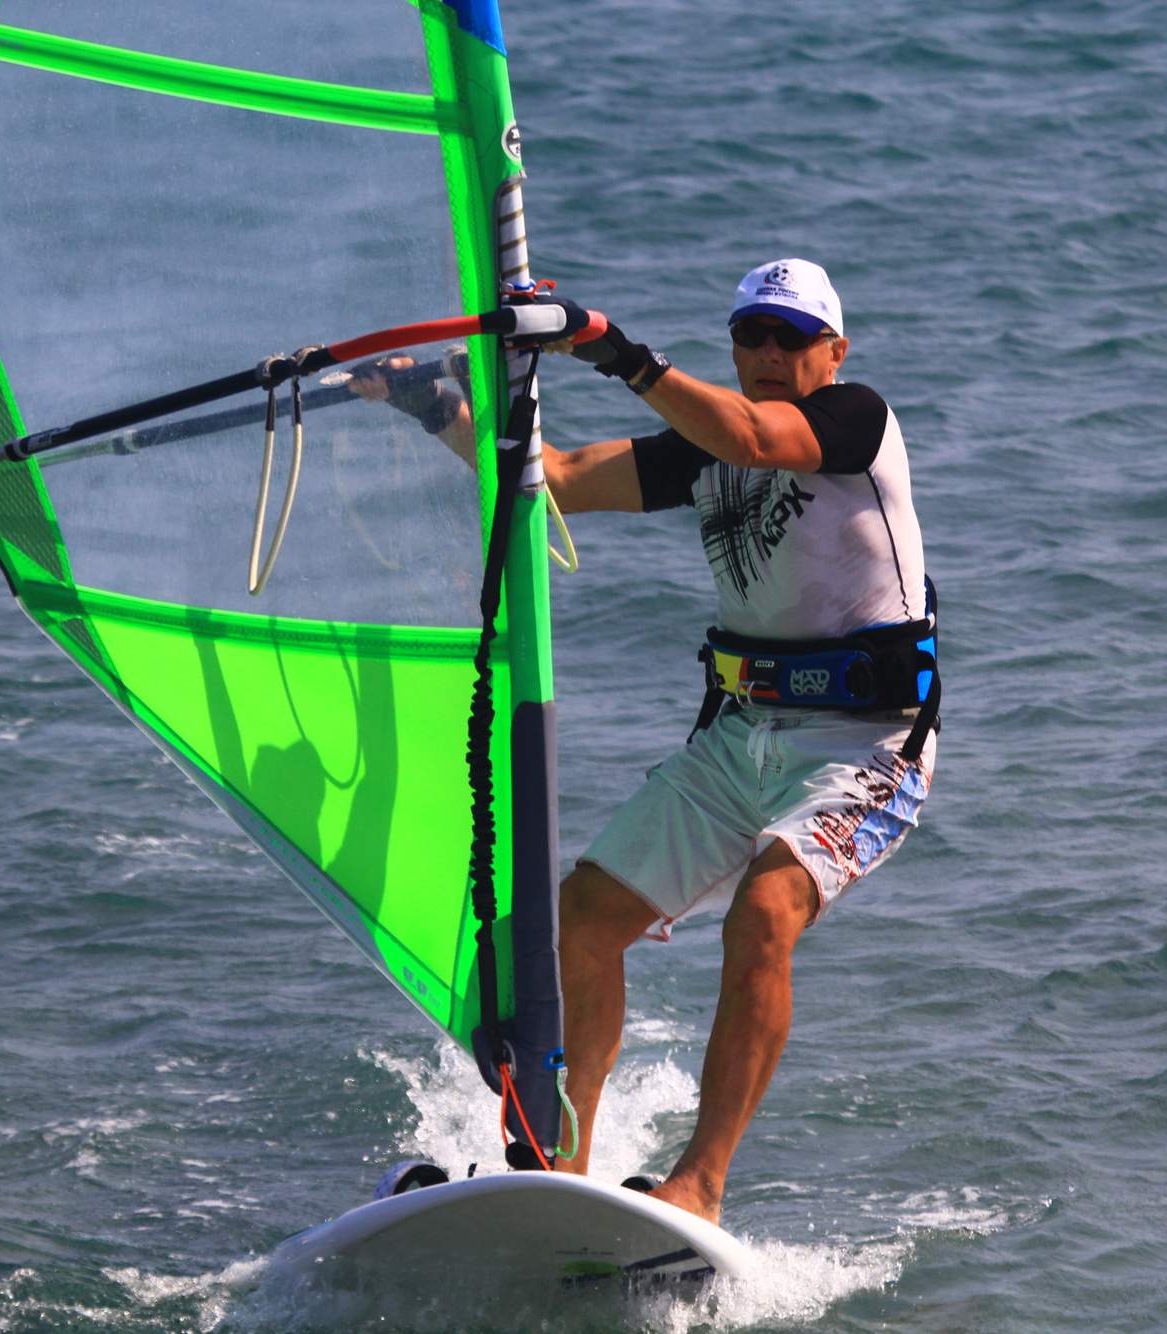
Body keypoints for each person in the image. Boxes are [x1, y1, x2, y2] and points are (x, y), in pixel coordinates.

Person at [356, 259, 939, 1224]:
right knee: (582, 916)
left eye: (792, 338)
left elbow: (755, 434)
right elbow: (555, 483)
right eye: (750, 335)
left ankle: (700, 1185)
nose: (769, 352)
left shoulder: (854, 420)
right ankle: (562, 1169)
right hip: (741, 740)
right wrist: (435, 406)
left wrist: (613, 349)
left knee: (765, 912)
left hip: (866, 750)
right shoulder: (706, 450)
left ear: (833, 352)